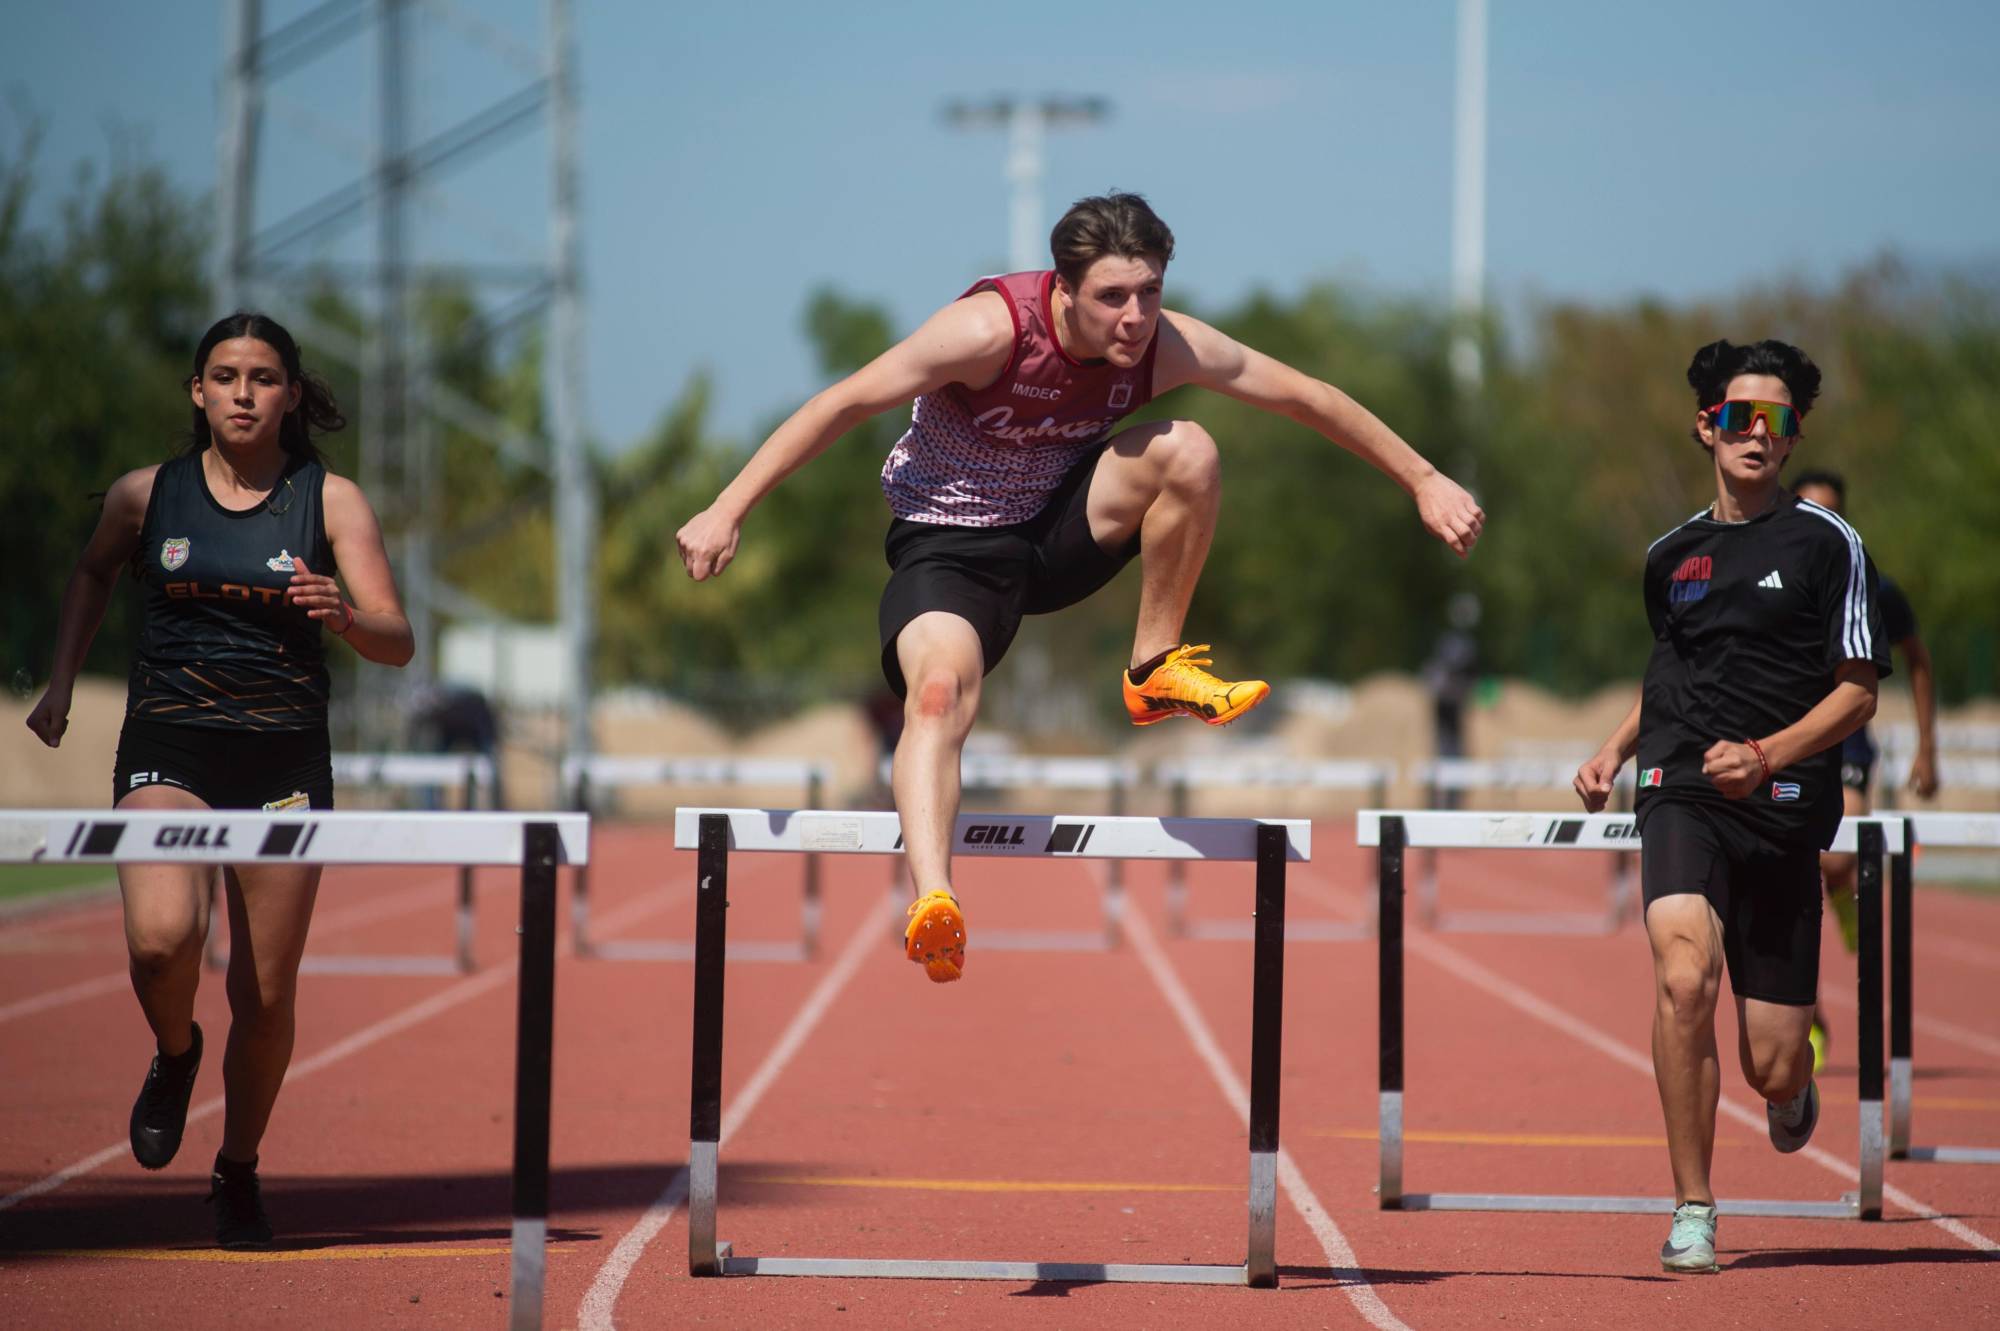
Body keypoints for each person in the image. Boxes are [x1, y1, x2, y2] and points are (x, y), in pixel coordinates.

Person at [678, 192, 1483, 983]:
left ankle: (1152, 666)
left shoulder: (1165, 346)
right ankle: (935, 901)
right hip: (950, 549)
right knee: (936, 697)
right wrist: (727, 506)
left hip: (1060, 528)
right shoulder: (988, 331)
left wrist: (1423, 478)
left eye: (1150, 293)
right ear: (1063, 291)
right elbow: (842, 402)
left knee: (1191, 450)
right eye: (1112, 298)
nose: (1135, 318)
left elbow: (1309, 397)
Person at [25, 313, 413, 1248]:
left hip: (282, 758)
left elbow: (398, 641)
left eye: (265, 377)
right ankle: (175, 1049)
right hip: (172, 742)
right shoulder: (144, 496)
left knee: (266, 994)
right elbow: (93, 571)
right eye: (227, 375)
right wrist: (63, 679)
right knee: (163, 942)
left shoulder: (332, 502)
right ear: (197, 392)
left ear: (290, 395)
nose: (244, 392)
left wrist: (346, 615)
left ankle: (237, 1169)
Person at [1573, 339, 1889, 1274]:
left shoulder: (1827, 543)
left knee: (1774, 1060)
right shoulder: (1671, 554)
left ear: (1793, 439)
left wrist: (1767, 755)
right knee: (1682, 976)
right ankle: (1694, 1206)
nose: (1759, 433)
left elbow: (1859, 692)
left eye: (1778, 420)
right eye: (1741, 416)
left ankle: (1791, 1096)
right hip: (1680, 791)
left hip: (1785, 806)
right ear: (1707, 425)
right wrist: (1614, 747)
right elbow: (1670, 673)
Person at [1788, 469, 1939, 1071]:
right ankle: (1811, 1019)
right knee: (1785, 886)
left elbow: (1917, 661)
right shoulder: (1769, 579)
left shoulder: (1873, 588)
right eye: (1807, 511)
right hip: (1776, 743)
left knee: (1834, 857)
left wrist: (1929, 749)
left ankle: (1845, 888)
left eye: (1831, 512)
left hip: (1845, 745)